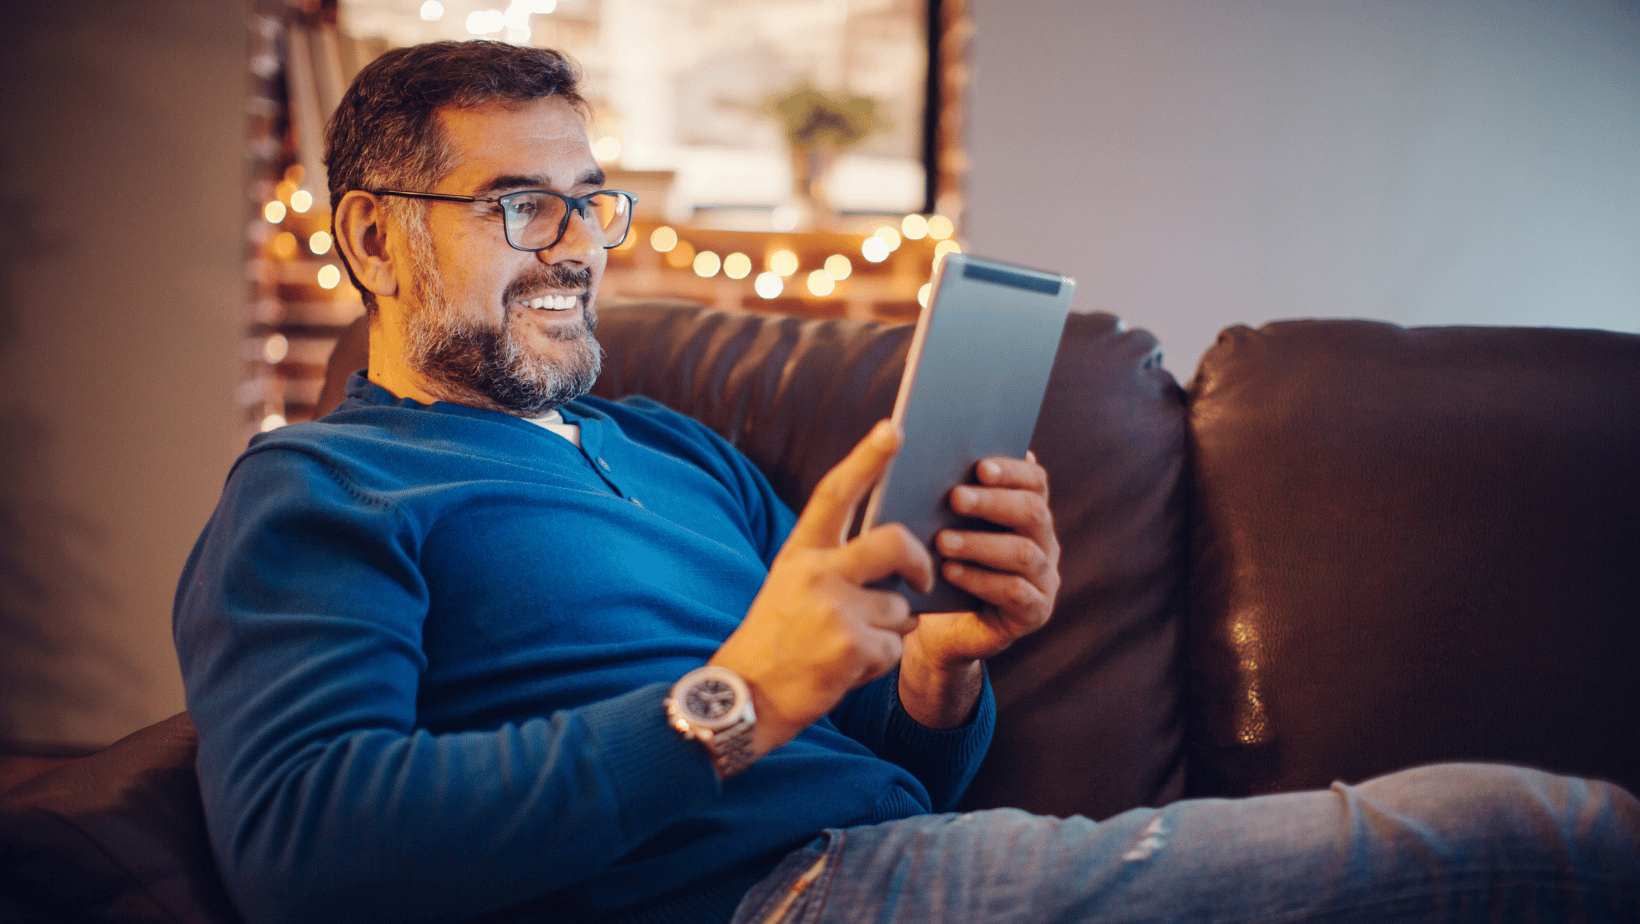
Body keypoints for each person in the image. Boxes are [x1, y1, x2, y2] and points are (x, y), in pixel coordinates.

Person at [174, 40, 1639, 924]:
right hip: (763, 900)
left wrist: (936, 671)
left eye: (592, 203)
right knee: (1539, 841)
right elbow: (308, 852)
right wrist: (734, 700)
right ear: (372, 239)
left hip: (892, 867)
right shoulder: (322, 494)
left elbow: (890, 763)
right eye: (518, 206)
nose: (575, 245)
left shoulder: (674, 451)